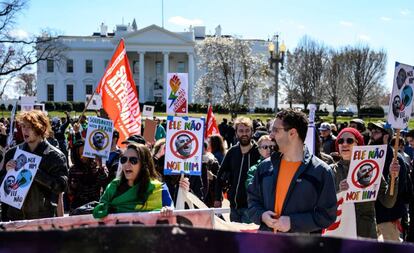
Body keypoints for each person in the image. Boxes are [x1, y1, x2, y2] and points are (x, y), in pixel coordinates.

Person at [247, 109, 337, 233]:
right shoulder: (265, 167)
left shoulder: (321, 171)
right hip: (266, 244)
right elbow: (252, 201)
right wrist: (261, 215)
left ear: (292, 133)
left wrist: (293, 222)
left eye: (275, 130)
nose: (271, 135)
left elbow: (327, 216)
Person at [331, 127, 399, 239]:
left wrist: (393, 178)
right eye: (340, 141)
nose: (344, 144)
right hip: (340, 234)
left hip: (365, 234)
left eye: (349, 141)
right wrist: (340, 193)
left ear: (359, 145)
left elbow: (388, 202)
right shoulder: (329, 171)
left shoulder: (371, 169)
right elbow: (322, 205)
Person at [0, 110, 68, 221]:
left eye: (29, 127)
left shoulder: (55, 156)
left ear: (41, 128)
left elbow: (61, 187)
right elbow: (2, 189)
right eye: (23, 126)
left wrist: (36, 174)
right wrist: (8, 174)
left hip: (43, 221)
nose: (24, 130)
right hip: (15, 220)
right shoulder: (12, 153)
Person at [93, 143, 173, 218]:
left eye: (133, 160)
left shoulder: (159, 189)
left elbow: (172, 216)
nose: (127, 164)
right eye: (124, 160)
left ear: (144, 164)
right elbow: (100, 211)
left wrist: (168, 210)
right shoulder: (113, 187)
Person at [367, 122, 410, 242]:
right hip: (371, 215)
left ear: (386, 136)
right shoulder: (369, 155)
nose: (372, 135)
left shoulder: (396, 158)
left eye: (376, 132)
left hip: (389, 215)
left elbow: (399, 188)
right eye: (372, 132)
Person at [215, 117, 261, 223]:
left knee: (247, 239)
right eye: (241, 131)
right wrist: (218, 198)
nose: (244, 134)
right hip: (234, 207)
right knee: (234, 238)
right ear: (236, 133)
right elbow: (220, 175)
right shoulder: (232, 152)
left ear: (252, 132)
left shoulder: (259, 152)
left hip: (252, 208)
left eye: (247, 130)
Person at [68, 140, 109, 212]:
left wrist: (100, 168)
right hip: (78, 208)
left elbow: (106, 183)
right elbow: (69, 192)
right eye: (79, 154)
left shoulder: (98, 166)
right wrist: (72, 186)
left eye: (84, 153)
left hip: (94, 206)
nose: (83, 157)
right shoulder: (73, 170)